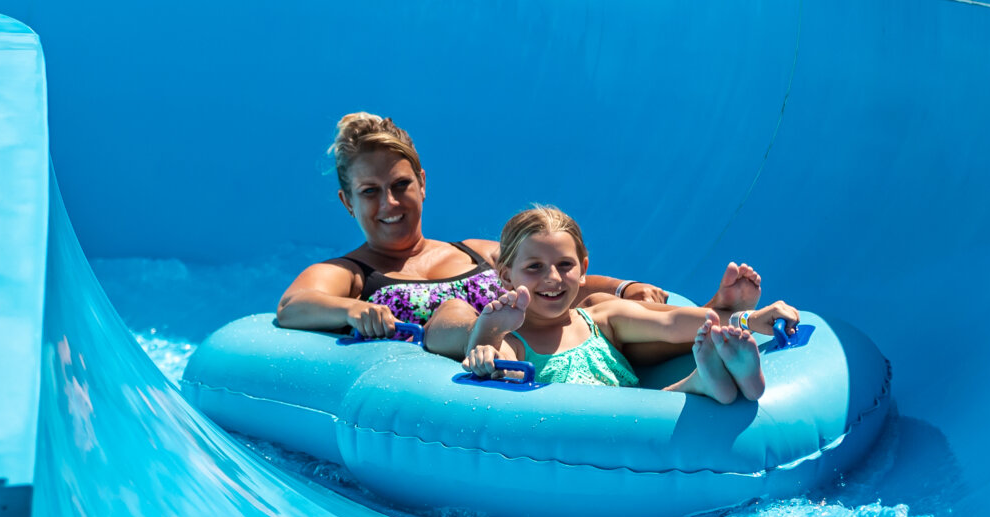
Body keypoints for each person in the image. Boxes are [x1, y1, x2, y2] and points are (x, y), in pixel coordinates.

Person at [277, 113, 763, 358]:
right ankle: (716, 324)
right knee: (459, 313)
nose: (390, 203)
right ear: (348, 202)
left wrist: (623, 287)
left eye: (401, 185)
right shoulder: (350, 273)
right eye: (370, 192)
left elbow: (551, 271)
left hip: (554, 344)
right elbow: (293, 306)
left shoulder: (475, 251)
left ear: (422, 183)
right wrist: (354, 309)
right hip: (491, 358)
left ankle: (717, 317)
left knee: (603, 314)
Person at [462, 205, 800, 404]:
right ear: (506, 277)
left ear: (584, 271)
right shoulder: (511, 341)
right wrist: (484, 349)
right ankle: (700, 383)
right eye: (534, 267)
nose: (553, 278)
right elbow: (496, 365)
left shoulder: (603, 316)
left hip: (643, 425)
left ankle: (713, 376)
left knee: (657, 401)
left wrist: (749, 319)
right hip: (580, 451)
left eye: (565, 265)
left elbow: (675, 323)